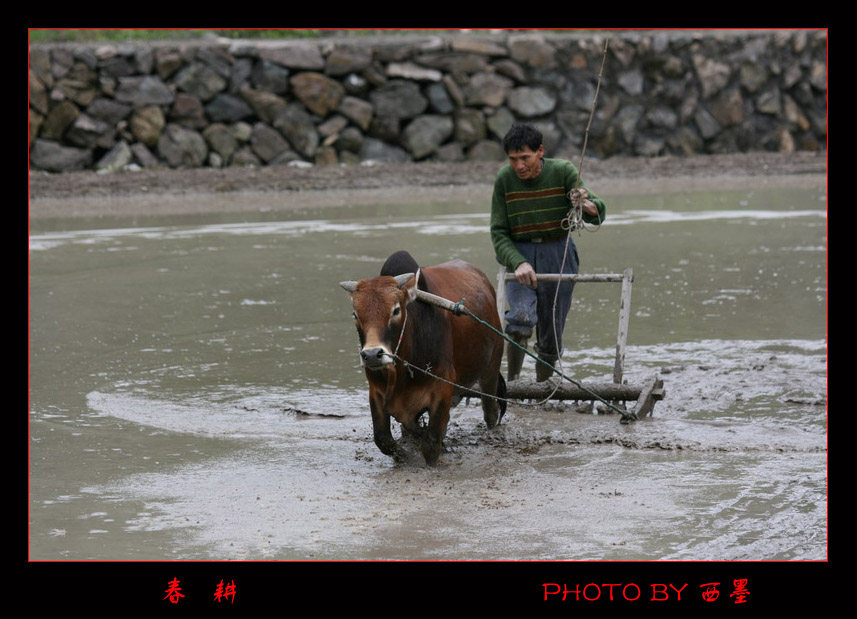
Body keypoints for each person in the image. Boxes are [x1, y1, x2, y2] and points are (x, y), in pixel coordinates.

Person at [490, 123, 606, 382]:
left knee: (551, 333)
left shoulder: (564, 171)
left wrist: (584, 204)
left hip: (558, 252)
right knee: (519, 320)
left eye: (525, 158)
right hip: (520, 253)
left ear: (540, 151)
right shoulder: (504, 180)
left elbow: (598, 211)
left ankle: (543, 387)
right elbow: (498, 233)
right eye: (513, 159)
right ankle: (514, 383)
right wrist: (517, 262)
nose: (519, 166)